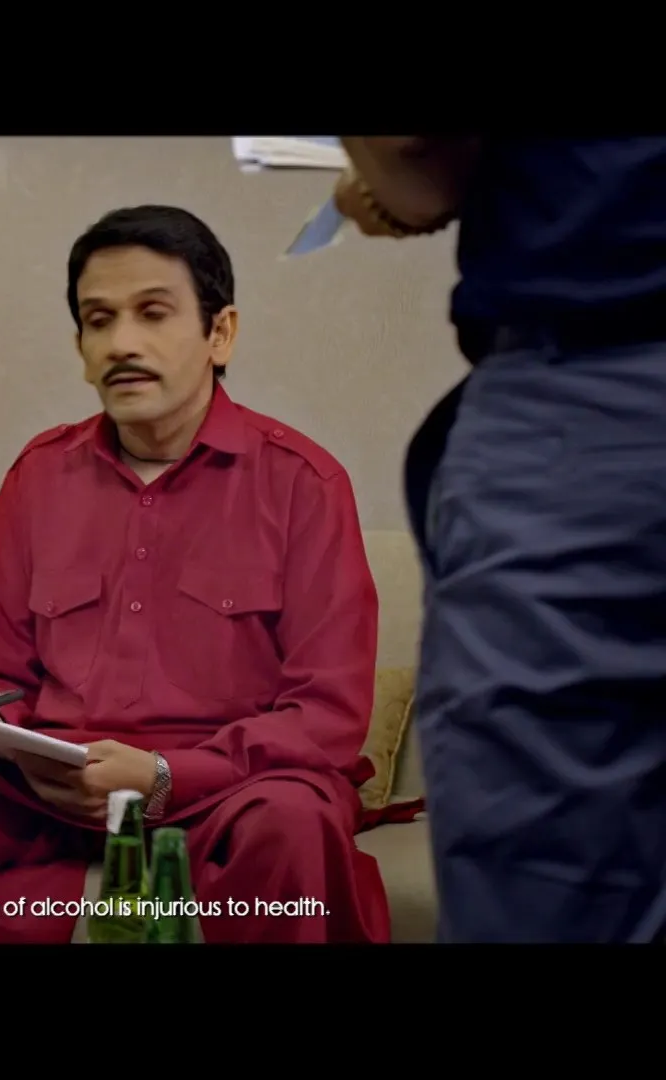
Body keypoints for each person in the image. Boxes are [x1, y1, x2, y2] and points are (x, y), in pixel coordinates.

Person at [0, 205, 390, 944]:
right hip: (53, 788)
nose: (122, 343)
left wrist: (165, 775)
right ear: (80, 347)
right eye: (98, 320)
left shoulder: (304, 484)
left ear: (220, 333)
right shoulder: (39, 476)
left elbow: (327, 716)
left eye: (153, 313)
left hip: (227, 792)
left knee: (293, 821)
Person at [333, 138, 666, 943]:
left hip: (596, 407)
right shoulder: (48, 477)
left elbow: (414, 159)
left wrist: (385, 183)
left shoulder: (296, 482)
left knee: (548, 899)